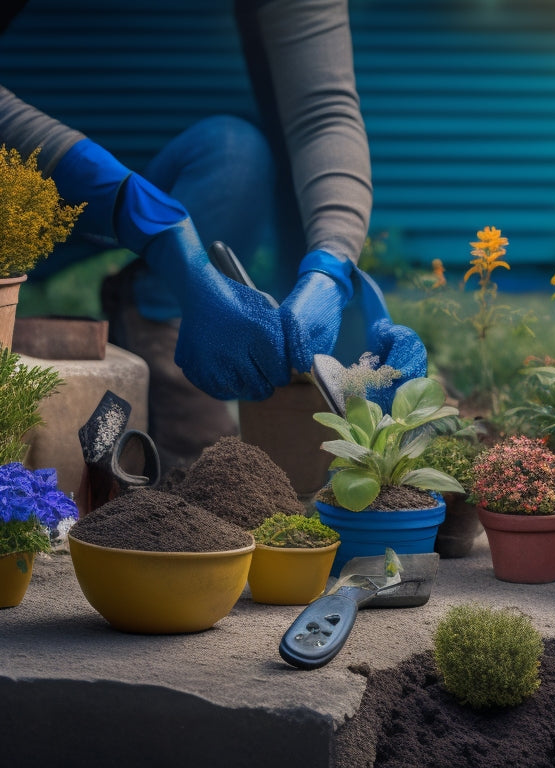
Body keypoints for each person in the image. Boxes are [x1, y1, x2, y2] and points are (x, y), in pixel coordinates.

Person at [0, 0, 427, 472]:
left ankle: (157, 319)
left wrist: (332, 265)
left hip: (176, 177)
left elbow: (323, 111)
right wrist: (146, 214)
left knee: (235, 156)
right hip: (16, 195)